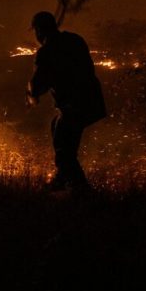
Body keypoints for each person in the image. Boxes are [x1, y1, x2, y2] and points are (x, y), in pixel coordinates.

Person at [26, 11, 106, 191]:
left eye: (36, 32)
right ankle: (62, 178)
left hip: (74, 105)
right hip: (92, 101)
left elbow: (39, 85)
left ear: (39, 31)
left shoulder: (46, 52)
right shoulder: (75, 40)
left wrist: (31, 91)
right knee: (57, 126)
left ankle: (82, 190)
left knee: (65, 152)